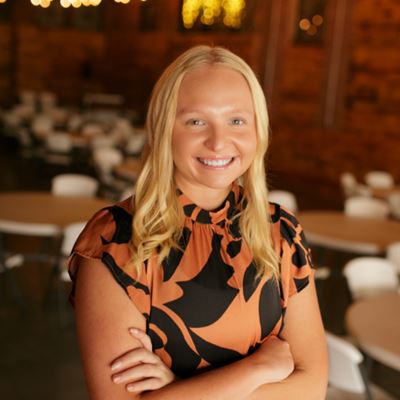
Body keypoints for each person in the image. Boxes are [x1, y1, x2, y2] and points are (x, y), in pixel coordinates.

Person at [69, 45, 328, 399]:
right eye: (196, 121)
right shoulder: (116, 241)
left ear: (258, 130)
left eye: (237, 121)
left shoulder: (281, 232)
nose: (218, 142)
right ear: (164, 129)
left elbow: (312, 388)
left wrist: (178, 390)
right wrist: (258, 369)